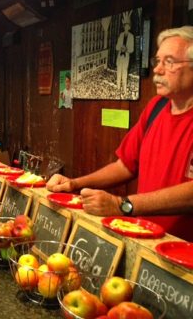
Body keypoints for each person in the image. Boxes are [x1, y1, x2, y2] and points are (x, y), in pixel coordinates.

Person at [47, 25, 193, 242]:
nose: (157, 70)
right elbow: (124, 165)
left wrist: (122, 205)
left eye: (169, 62)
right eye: (157, 61)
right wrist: (74, 184)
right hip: (146, 241)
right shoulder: (156, 107)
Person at [115, 11, 134, 96]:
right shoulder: (121, 35)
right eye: (125, 26)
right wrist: (120, 47)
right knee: (119, 72)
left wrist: (126, 49)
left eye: (128, 26)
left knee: (124, 73)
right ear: (124, 27)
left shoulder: (131, 36)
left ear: (129, 27)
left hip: (126, 57)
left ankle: (124, 89)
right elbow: (116, 47)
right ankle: (118, 88)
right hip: (120, 57)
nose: (126, 27)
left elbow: (132, 49)